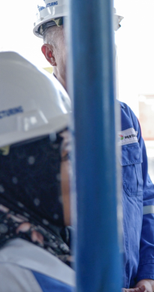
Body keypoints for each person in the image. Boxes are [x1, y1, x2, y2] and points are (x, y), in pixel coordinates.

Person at [34, 0, 154, 292]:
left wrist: (148, 274)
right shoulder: (35, 126)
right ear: (50, 54)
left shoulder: (124, 119)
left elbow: (146, 199)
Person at [0, 51, 74, 291]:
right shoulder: (17, 274)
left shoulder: (47, 242)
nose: (76, 175)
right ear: (21, 169)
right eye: (65, 157)